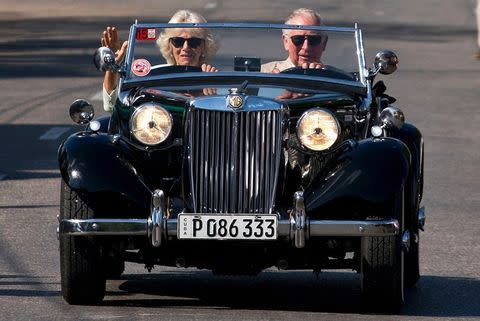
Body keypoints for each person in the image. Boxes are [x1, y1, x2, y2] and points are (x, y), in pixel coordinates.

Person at [101, 9, 218, 111]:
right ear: (169, 46)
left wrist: (209, 94)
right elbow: (112, 106)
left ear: (204, 46)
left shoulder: (219, 80)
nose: (186, 48)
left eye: (194, 42)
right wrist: (112, 67)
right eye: (178, 41)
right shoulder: (151, 76)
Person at [261, 8, 327, 73]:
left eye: (314, 40)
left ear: (324, 43)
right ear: (286, 42)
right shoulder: (263, 73)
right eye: (298, 39)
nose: (306, 47)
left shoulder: (333, 78)